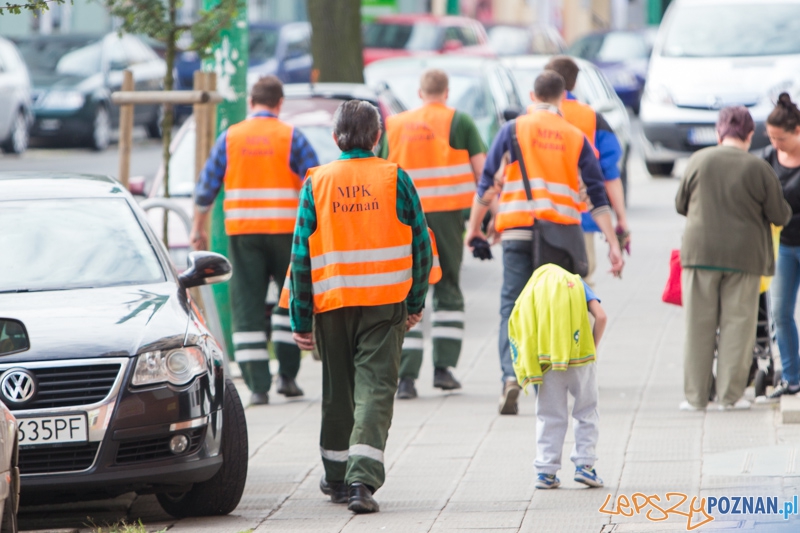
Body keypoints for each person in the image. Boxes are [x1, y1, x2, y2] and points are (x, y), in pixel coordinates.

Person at [289, 100, 432, 514]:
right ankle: (360, 481)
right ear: (377, 136)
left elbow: (300, 257)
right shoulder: (395, 178)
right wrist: (415, 301)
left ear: (336, 138)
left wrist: (300, 318)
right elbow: (420, 245)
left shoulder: (317, 183)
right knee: (375, 388)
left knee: (338, 390)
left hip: (332, 305)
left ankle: (336, 477)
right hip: (385, 304)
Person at [465, 70, 624, 416]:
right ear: (562, 96)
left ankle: (511, 376)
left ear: (532, 96)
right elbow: (595, 196)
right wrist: (612, 242)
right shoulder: (575, 137)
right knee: (554, 308)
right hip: (560, 238)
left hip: (518, 230)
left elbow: (487, 184)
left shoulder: (512, 130)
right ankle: (548, 382)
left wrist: (473, 229)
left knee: (512, 303)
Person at [190, 75, 320, 406]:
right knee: (288, 299)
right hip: (287, 233)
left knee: (246, 305)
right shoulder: (291, 136)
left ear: (251, 102)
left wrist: (198, 227)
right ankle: (287, 378)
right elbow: (317, 183)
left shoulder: (230, 138)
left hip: (244, 233)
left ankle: (258, 386)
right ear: (279, 104)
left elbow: (206, 188)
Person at [676, 106, 791, 411]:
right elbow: (780, 215)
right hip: (745, 257)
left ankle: (696, 398)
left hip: (699, 254)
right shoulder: (759, 168)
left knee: (697, 326)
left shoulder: (698, 160)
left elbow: (680, 204)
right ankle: (730, 396)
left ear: (719, 132)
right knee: (737, 326)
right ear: (750, 134)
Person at [381, 68, 487, 399]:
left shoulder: (395, 125)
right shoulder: (460, 122)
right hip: (447, 218)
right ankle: (444, 370)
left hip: (404, 218)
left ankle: (406, 378)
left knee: (408, 291)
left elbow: (381, 170)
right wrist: (483, 221)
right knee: (448, 288)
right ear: (447, 91)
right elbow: (483, 172)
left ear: (419, 92)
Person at [508, 264, 606, 489]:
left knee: (550, 415)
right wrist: (592, 347)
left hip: (549, 361)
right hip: (582, 359)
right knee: (587, 411)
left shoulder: (535, 287)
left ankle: (546, 472)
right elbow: (601, 316)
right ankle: (585, 466)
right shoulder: (577, 283)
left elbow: (522, 322)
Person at [543, 56, 630, 286]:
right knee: (581, 285)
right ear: (574, 83)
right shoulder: (592, 118)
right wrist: (620, 219)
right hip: (582, 216)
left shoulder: (527, 120)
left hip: (538, 217)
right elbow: (610, 174)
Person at [764, 93, 800, 399]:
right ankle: (792, 378)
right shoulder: (767, 157)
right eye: (772, 137)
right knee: (780, 311)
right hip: (785, 245)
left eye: (782, 138)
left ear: (798, 131)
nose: (777, 144)